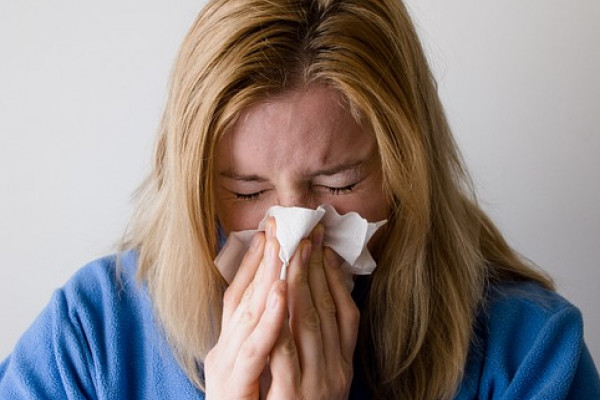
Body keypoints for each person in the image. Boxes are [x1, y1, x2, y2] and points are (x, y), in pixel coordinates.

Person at [1, 0, 599, 398]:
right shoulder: (91, 338)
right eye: (246, 190)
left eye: (338, 184)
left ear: (406, 171)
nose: (294, 233)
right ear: (193, 183)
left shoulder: (528, 355)